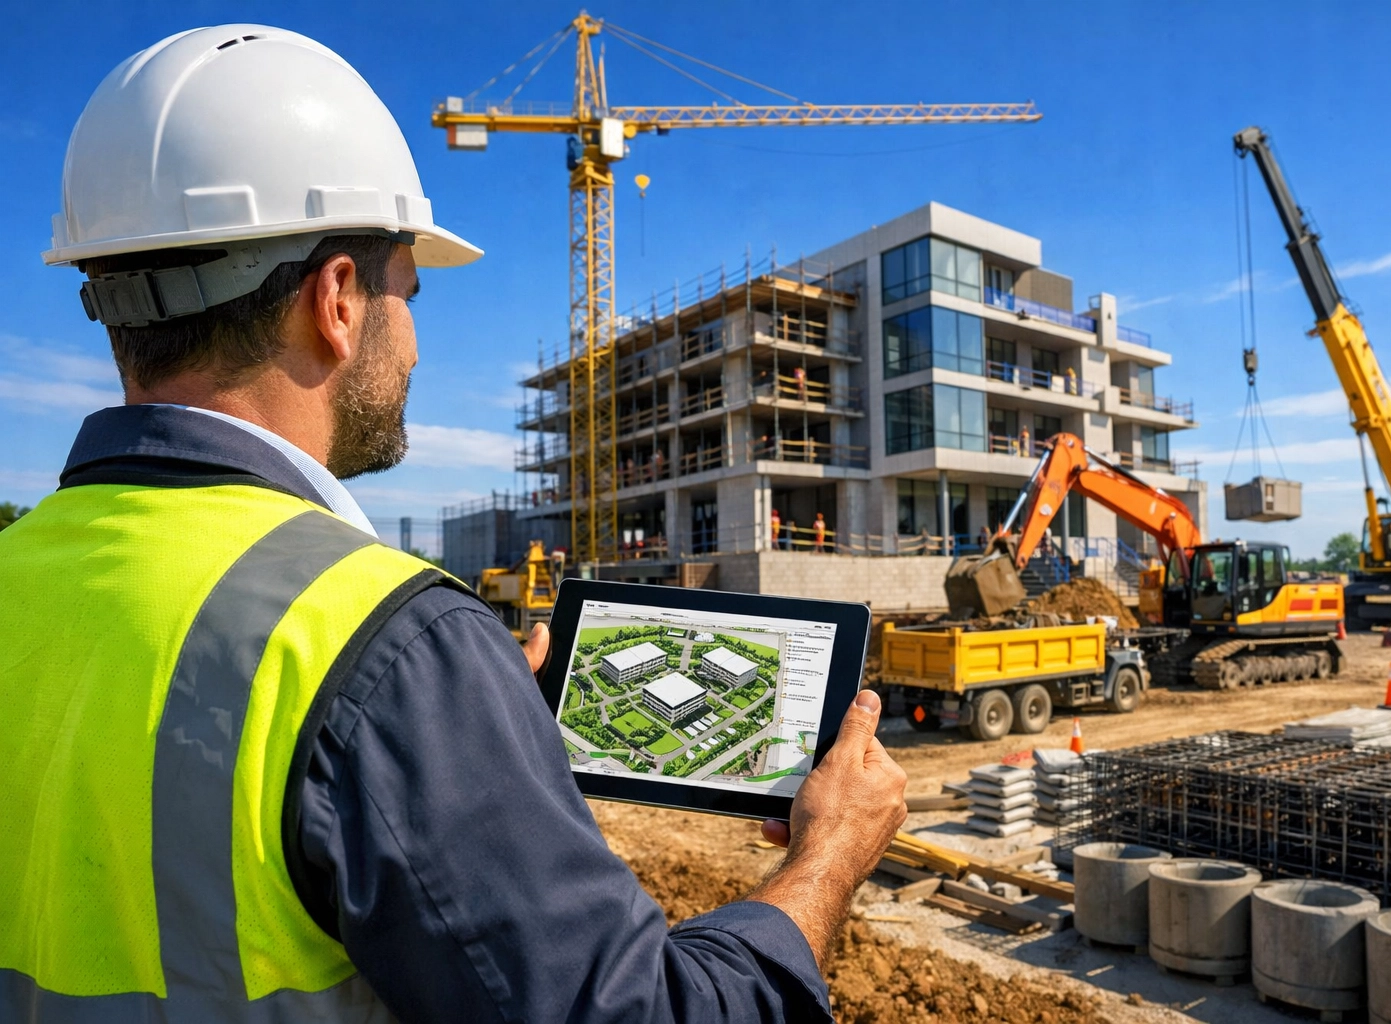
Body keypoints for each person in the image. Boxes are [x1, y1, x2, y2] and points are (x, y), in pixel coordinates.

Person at [0, 26, 907, 1024]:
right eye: (409, 292)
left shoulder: (19, 572)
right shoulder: (379, 642)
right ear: (338, 299)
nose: (418, 343)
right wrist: (825, 860)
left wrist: (453, 748)